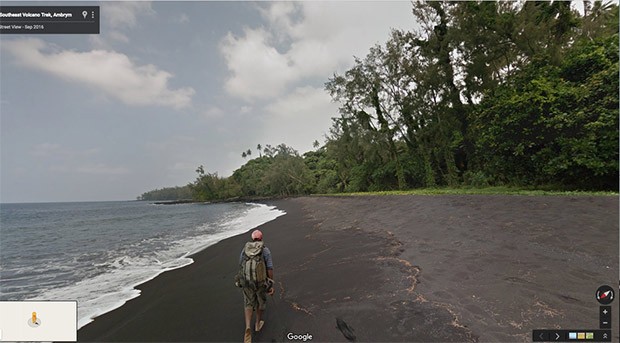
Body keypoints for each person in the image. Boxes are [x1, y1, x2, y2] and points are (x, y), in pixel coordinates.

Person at [239, 229, 274, 343]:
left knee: (248, 303)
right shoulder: (265, 250)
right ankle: (257, 324)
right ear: (261, 238)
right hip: (260, 283)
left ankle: (248, 326)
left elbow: (241, 266)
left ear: (252, 238)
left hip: (248, 282)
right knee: (260, 302)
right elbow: (269, 268)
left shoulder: (245, 250)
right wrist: (270, 283)